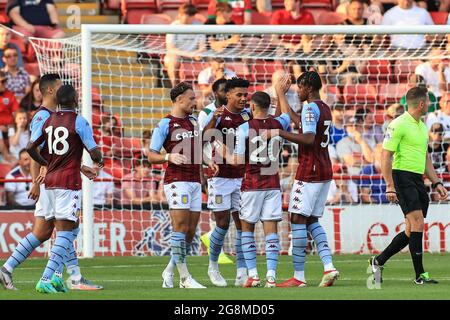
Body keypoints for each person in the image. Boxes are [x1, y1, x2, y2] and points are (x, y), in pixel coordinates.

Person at [0, 74, 102, 291]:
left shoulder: (53, 116)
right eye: (58, 86)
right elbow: (34, 149)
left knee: (63, 227)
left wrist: (77, 166)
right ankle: (52, 275)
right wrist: (35, 182)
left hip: (53, 177)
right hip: (50, 182)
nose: (62, 88)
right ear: (50, 91)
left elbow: (54, 152)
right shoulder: (42, 117)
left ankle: (71, 276)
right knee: (52, 230)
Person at [27, 84, 104, 293]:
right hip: (68, 183)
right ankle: (47, 278)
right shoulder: (78, 121)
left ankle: (67, 276)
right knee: (65, 231)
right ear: (76, 99)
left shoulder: (48, 120)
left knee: (70, 228)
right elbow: (94, 151)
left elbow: (30, 148)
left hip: (49, 183)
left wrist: (46, 162)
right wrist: (98, 164)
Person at [266, 71, 340, 287]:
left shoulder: (309, 108)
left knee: (297, 219)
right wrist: (281, 95)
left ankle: (299, 276)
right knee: (311, 220)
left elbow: (307, 138)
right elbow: (299, 123)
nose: (297, 91)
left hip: (310, 171)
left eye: (299, 87)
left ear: (308, 88)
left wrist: (279, 134)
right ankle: (329, 267)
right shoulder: (323, 107)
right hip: (325, 170)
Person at [369, 86, 448, 285]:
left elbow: (425, 157)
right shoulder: (398, 124)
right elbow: (385, 155)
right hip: (402, 177)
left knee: (410, 230)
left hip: (417, 179)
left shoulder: (422, 126)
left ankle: (377, 261)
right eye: (428, 102)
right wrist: (389, 185)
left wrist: (436, 181)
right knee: (418, 223)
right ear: (421, 104)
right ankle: (420, 275)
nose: (430, 105)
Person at [148, 82, 218, 289]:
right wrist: (168, 156)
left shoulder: (194, 121)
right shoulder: (165, 124)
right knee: (179, 227)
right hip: (176, 181)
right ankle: (186, 278)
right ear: (179, 100)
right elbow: (151, 154)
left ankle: (169, 271)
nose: (194, 102)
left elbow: (196, 148)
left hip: (195, 181)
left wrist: (207, 162)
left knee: (189, 232)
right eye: (191, 98)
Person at [226, 91, 291, 287]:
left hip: (252, 185)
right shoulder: (280, 124)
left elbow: (237, 162)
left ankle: (253, 275)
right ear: (269, 107)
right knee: (271, 230)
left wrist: (222, 150)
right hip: (272, 184)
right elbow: (286, 115)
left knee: (247, 228)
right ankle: (271, 276)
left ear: (253, 107)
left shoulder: (244, 128)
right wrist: (281, 93)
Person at [200, 77, 252, 287]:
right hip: (220, 178)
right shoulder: (218, 116)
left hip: (242, 177)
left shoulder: (248, 116)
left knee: (243, 224)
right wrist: (213, 119)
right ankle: (213, 265)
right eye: (238, 95)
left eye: (245, 95)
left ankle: (241, 270)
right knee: (222, 223)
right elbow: (203, 138)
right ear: (227, 95)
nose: (242, 99)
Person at [164, 4, 206, 86]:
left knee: (211, 57)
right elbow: (170, 48)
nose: (187, 18)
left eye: (190, 15)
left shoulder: (199, 26)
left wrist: (199, 53)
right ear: (180, 14)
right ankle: (175, 87)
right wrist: (189, 54)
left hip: (194, 55)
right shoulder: (173, 26)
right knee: (174, 59)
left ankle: (209, 86)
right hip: (178, 55)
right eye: (185, 15)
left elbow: (202, 46)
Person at [0, 70, 19, 135]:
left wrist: (13, 123)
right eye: (1, 82)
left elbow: (16, 112)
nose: (2, 84)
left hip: (10, 127)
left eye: (4, 81)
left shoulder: (9, 95)